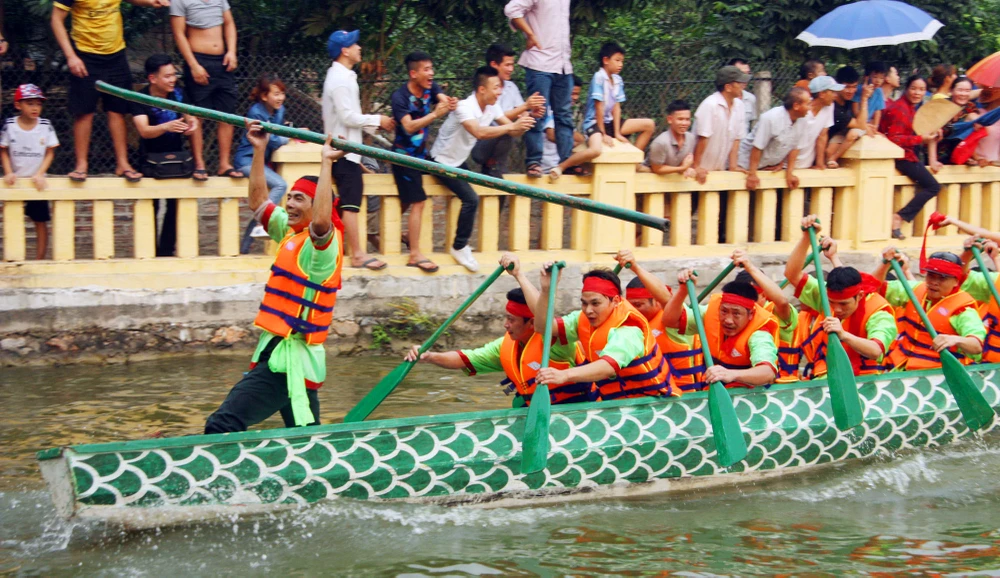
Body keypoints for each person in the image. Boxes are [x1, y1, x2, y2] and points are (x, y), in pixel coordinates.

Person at [204, 122, 345, 434]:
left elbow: (322, 221)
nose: (290, 204)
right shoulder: (290, 232)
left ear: (316, 206)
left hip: (288, 360)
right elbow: (258, 203)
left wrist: (326, 163)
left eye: (299, 199)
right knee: (304, 437)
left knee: (222, 425)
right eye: (289, 197)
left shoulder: (323, 247)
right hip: (281, 352)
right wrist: (259, 150)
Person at [404, 253, 595, 406]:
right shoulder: (505, 346)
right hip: (534, 412)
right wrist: (429, 356)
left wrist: (520, 275)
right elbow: (465, 358)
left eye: (511, 320)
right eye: (506, 318)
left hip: (575, 410)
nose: (505, 325)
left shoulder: (553, 342)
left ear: (531, 323)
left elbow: (543, 318)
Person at [429, 66, 535, 272]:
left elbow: (512, 130)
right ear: (481, 89)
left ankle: (463, 244)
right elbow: (478, 132)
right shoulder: (464, 107)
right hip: (440, 162)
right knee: (471, 199)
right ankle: (459, 246)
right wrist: (512, 127)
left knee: (479, 192)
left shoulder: (492, 107)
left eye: (500, 88)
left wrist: (524, 122)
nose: (499, 92)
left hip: (458, 161)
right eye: (495, 87)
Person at [51, 0, 169, 183]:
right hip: (85, 54)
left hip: (116, 55)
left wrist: (150, 2)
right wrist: (71, 56)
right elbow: (56, 19)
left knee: (117, 110)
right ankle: (81, 166)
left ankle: (123, 164)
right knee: (84, 112)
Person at [533, 265, 674, 400]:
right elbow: (543, 327)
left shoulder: (629, 328)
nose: (588, 310)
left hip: (652, 402)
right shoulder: (582, 319)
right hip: (615, 402)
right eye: (584, 303)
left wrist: (564, 375)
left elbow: (608, 367)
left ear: (616, 301)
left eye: (595, 303)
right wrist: (546, 290)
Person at [784, 216, 897, 377]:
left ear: (860, 296)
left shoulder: (878, 313)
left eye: (844, 304)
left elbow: (875, 350)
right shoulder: (826, 297)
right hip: (823, 377)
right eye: (832, 302)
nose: (836, 309)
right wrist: (807, 238)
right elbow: (792, 274)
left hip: (864, 382)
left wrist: (843, 334)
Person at [322, 29, 395, 271]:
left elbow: (348, 117)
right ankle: (357, 255)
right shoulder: (340, 79)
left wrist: (375, 125)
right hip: (343, 151)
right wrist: (377, 120)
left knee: (351, 202)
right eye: (355, 44)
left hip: (349, 150)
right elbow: (347, 117)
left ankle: (354, 252)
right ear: (345, 50)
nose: (359, 47)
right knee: (351, 204)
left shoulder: (343, 76)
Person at [129, 54, 204, 257]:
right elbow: (144, 131)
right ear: (152, 78)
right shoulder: (139, 97)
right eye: (167, 76)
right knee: (150, 205)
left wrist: (192, 124)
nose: (173, 80)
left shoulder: (179, 94)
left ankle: (166, 251)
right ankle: (149, 251)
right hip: (149, 160)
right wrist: (166, 126)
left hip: (177, 159)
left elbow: (190, 117)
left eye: (174, 75)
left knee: (175, 205)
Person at [389, 51, 457, 273]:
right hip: (403, 157)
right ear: (413, 73)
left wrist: (451, 103)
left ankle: (389, 232)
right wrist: (436, 114)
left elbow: (443, 100)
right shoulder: (399, 97)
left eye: (431, 69)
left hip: (422, 156)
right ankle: (415, 254)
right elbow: (408, 126)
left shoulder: (431, 87)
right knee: (418, 201)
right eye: (426, 69)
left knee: (408, 200)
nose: (431, 73)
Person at [662, 271, 780, 388]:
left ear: (750, 314)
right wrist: (683, 290)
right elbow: (670, 321)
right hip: (711, 389)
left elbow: (768, 373)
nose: (728, 320)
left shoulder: (759, 333)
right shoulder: (711, 312)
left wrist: (732, 374)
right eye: (724, 311)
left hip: (747, 394)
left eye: (736, 313)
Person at [873, 247, 985, 370]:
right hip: (898, 366)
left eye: (942, 278)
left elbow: (976, 346)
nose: (934, 282)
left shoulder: (964, 310)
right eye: (931, 276)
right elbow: (873, 288)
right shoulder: (915, 290)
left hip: (939, 372)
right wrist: (885, 264)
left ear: (956, 281)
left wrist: (956, 339)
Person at [170, 0, 243, 178]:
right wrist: (193, 65)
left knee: (227, 114)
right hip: (198, 60)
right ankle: (199, 165)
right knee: (197, 114)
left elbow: (229, 23)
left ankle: (224, 164)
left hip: (223, 61)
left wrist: (231, 51)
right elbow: (179, 34)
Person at [504, 0, 574, 179]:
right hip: (540, 62)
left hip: (563, 65)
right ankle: (534, 162)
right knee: (538, 112)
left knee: (564, 116)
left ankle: (567, 163)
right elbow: (512, 9)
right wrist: (530, 34)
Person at [614, 249, 701, 393]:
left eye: (638, 305)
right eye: (630, 305)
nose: (633, 310)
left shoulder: (673, 321)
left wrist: (635, 267)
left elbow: (666, 299)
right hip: (650, 398)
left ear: (657, 302)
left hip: (685, 398)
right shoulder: (631, 324)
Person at [0, 84, 59, 260]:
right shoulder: (10, 125)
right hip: (15, 183)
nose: (35, 108)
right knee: (12, 218)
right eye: (30, 103)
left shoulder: (45, 125)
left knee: (40, 221)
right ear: (18, 105)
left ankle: (40, 260)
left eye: (38, 104)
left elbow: (50, 152)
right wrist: (8, 172)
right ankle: (14, 260)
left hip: (36, 184)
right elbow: (3, 150)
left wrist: (40, 173)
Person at [880, 76, 943, 240]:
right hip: (902, 156)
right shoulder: (900, 109)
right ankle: (899, 217)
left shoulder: (911, 108)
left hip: (907, 154)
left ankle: (900, 217)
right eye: (914, 88)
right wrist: (921, 139)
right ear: (906, 89)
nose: (917, 93)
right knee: (933, 186)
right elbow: (894, 138)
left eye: (921, 90)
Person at [233, 74, 290, 254]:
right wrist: (291, 135)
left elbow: (279, 134)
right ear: (264, 96)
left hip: (261, 162)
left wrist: (287, 134)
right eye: (276, 94)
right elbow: (273, 140)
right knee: (280, 185)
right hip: (247, 160)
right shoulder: (255, 112)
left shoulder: (280, 110)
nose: (280, 98)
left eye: (282, 93)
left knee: (264, 204)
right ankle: (262, 221)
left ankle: (256, 228)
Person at [471, 43, 545, 178]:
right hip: (480, 144)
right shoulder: (485, 91)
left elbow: (518, 113)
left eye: (512, 65)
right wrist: (526, 106)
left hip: (500, 147)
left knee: (519, 126)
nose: (511, 69)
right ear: (494, 64)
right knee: (506, 129)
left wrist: (531, 114)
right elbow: (499, 117)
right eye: (507, 65)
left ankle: (498, 168)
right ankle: (493, 167)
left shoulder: (511, 87)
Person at [581, 42, 655, 165]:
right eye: (617, 60)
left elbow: (616, 108)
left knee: (649, 125)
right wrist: (603, 134)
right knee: (596, 149)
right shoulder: (598, 77)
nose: (620, 64)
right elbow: (599, 108)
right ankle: (567, 165)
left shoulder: (617, 79)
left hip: (610, 122)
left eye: (622, 61)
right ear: (606, 60)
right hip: (594, 123)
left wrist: (617, 133)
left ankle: (634, 162)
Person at [729, 250, 799, 380]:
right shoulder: (732, 317)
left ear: (764, 294)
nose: (746, 302)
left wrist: (750, 267)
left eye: (751, 296)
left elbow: (782, 302)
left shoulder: (776, 312)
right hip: (747, 382)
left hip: (781, 384)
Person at [736, 87, 811, 191]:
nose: (810, 108)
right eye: (808, 104)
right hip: (743, 166)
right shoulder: (771, 118)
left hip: (766, 168)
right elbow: (757, 147)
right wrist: (752, 174)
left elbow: (795, 147)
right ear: (796, 106)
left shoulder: (803, 120)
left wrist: (789, 173)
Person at [692, 65, 749, 183]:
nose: (742, 86)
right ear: (728, 87)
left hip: (720, 170)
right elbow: (703, 138)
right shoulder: (710, 105)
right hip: (701, 171)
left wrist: (733, 166)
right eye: (739, 83)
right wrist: (697, 166)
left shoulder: (740, 106)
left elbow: (736, 139)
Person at [543, 74, 593, 179]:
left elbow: (573, 136)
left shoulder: (566, 113)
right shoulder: (550, 109)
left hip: (563, 165)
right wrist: (577, 141)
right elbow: (551, 135)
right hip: (548, 166)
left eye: (577, 94)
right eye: (572, 93)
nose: (575, 97)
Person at [826, 66, 872, 168]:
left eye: (854, 87)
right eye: (847, 87)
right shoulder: (833, 107)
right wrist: (864, 98)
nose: (851, 91)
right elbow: (860, 125)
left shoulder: (849, 102)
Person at [933, 77, 981, 167]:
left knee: (975, 120)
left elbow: (977, 124)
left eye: (967, 91)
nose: (963, 94)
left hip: (959, 151)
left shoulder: (970, 106)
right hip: (939, 152)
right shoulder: (940, 106)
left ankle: (968, 156)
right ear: (951, 91)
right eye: (960, 90)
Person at [795, 75, 840, 171]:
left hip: (807, 164)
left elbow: (822, 136)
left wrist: (820, 163)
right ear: (822, 94)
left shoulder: (829, 106)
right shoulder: (802, 111)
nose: (835, 96)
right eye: (832, 92)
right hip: (787, 165)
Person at [646, 100, 696, 177]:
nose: (684, 123)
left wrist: (687, 168)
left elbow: (687, 162)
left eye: (687, 119)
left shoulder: (691, 138)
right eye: (680, 119)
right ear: (670, 119)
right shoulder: (660, 142)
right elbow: (657, 169)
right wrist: (682, 168)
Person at [854, 61, 887, 131]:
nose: (878, 81)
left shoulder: (879, 91)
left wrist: (875, 126)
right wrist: (863, 123)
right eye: (875, 77)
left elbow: (878, 112)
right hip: (856, 122)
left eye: (881, 78)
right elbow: (855, 110)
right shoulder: (859, 89)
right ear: (866, 77)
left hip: (868, 124)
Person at [728, 57, 757, 133]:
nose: (746, 78)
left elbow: (754, 125)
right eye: (742, 73)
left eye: (748, 73)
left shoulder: (751, 98)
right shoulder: (717, 102)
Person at [973, 88, 1000, 167]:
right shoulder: (977, 114)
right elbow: (967, 141)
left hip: (995, 165)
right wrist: (977, 158)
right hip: (978, 165)